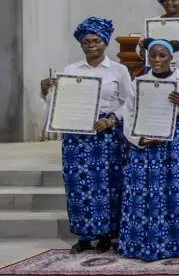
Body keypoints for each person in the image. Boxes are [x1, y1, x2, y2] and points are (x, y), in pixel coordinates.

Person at [41, 17, 131, 253]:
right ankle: (83, 236)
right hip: (77, 137)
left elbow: (129, 104)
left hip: (107, 135)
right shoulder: (71, 70)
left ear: (105, 43)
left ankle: (105, 236)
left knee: (107, 185)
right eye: (86, 41)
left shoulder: (118, 70)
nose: (91, 45)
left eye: (96, 41)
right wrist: (45, 91)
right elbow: (58, 103)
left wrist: (111, 118)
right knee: (79, 186)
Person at [119, 38, 179, 261]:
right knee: (147, 192)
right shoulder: (138, 82)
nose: (157, 60)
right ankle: (144, 241)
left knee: (178, 192)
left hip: (177, 146)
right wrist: (138, 140)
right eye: (153, 56)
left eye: (163, 56)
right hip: (147, 145)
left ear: (172, 58)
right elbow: (128, 115)